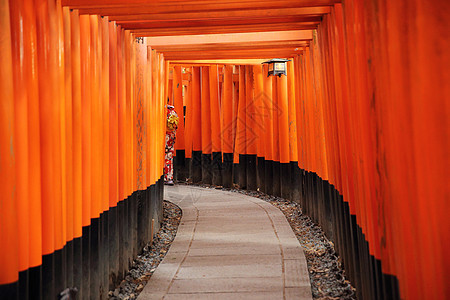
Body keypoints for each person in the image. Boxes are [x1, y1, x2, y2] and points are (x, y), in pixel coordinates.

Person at [164, 105, 179, 185]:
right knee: (169, 157)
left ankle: (162, 177)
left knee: (161, 157)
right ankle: (169, 177)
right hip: (171, 137)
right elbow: (175, 126)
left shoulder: (162, 111)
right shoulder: (173, 112)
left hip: (163, 136)